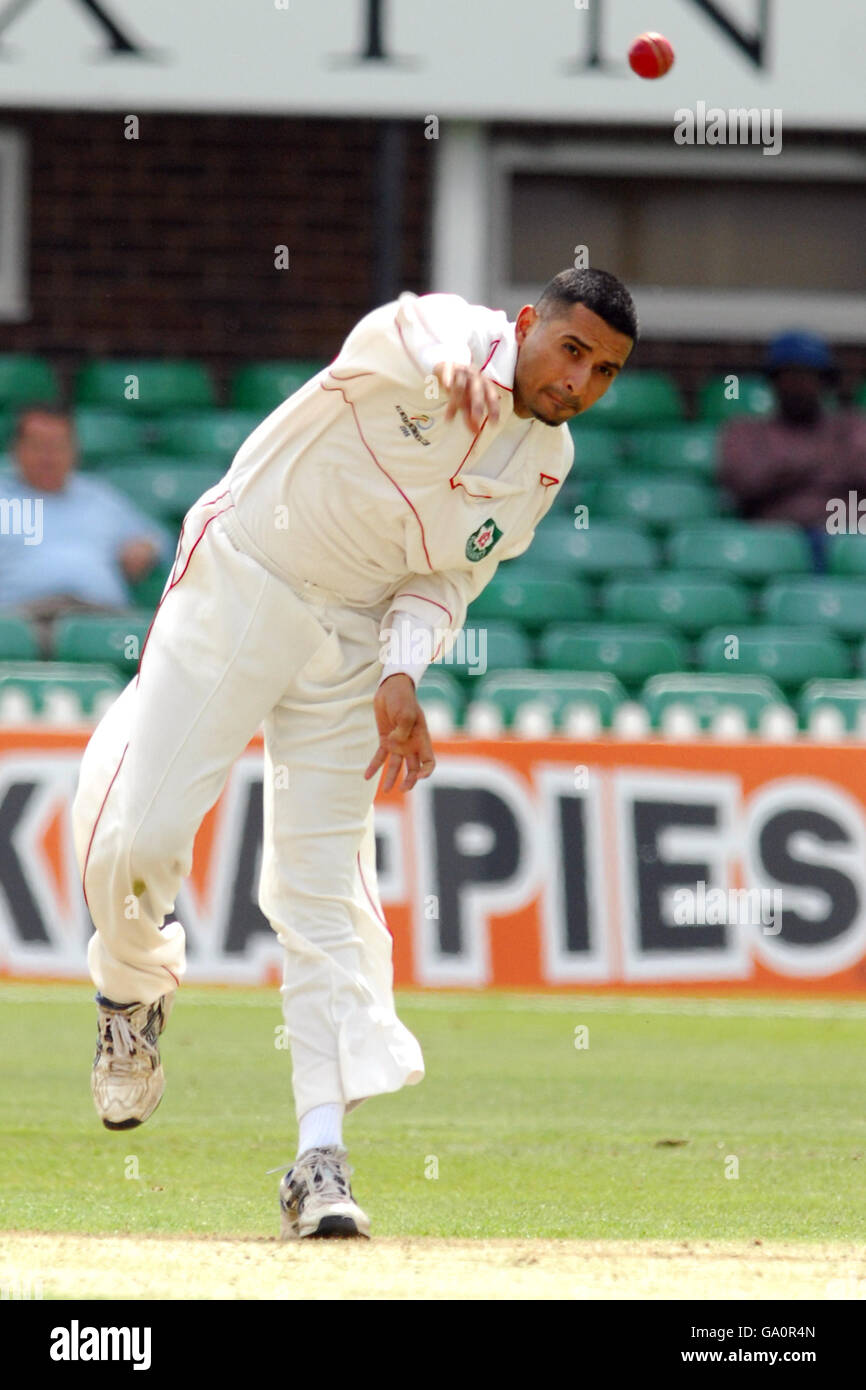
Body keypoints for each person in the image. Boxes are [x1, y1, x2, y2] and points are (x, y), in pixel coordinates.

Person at [70, 267, 637, 1240]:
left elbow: (451, 574)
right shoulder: (437, 342)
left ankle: (318, 1161)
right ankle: (131, 987)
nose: (577, 381)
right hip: (248, 574)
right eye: (571, 350)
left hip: (356, 639)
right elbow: (399, 326)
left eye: (604, 371)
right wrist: (454, 360)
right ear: (527, 323)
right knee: (144, 833)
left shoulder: (546, 462)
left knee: (324, 887)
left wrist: (401, 675)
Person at [0, 404, 175, 656]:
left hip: (103, 618)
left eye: (58, 446)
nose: (48, 457)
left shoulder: (100, 498)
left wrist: (147, 546)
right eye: (38, 446)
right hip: (25, 621)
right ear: (16, 450)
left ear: (74, 451)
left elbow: (162, 538)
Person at [718, 331, 866, 571]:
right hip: (774, 544)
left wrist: (787, 469)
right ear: (774, 381)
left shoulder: (852, 426)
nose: (800, 385)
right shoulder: (746, 432)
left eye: (809, 376)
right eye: (790, 376)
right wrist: (826, 460)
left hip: (847, 538)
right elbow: (747, 482)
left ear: (825, 381)